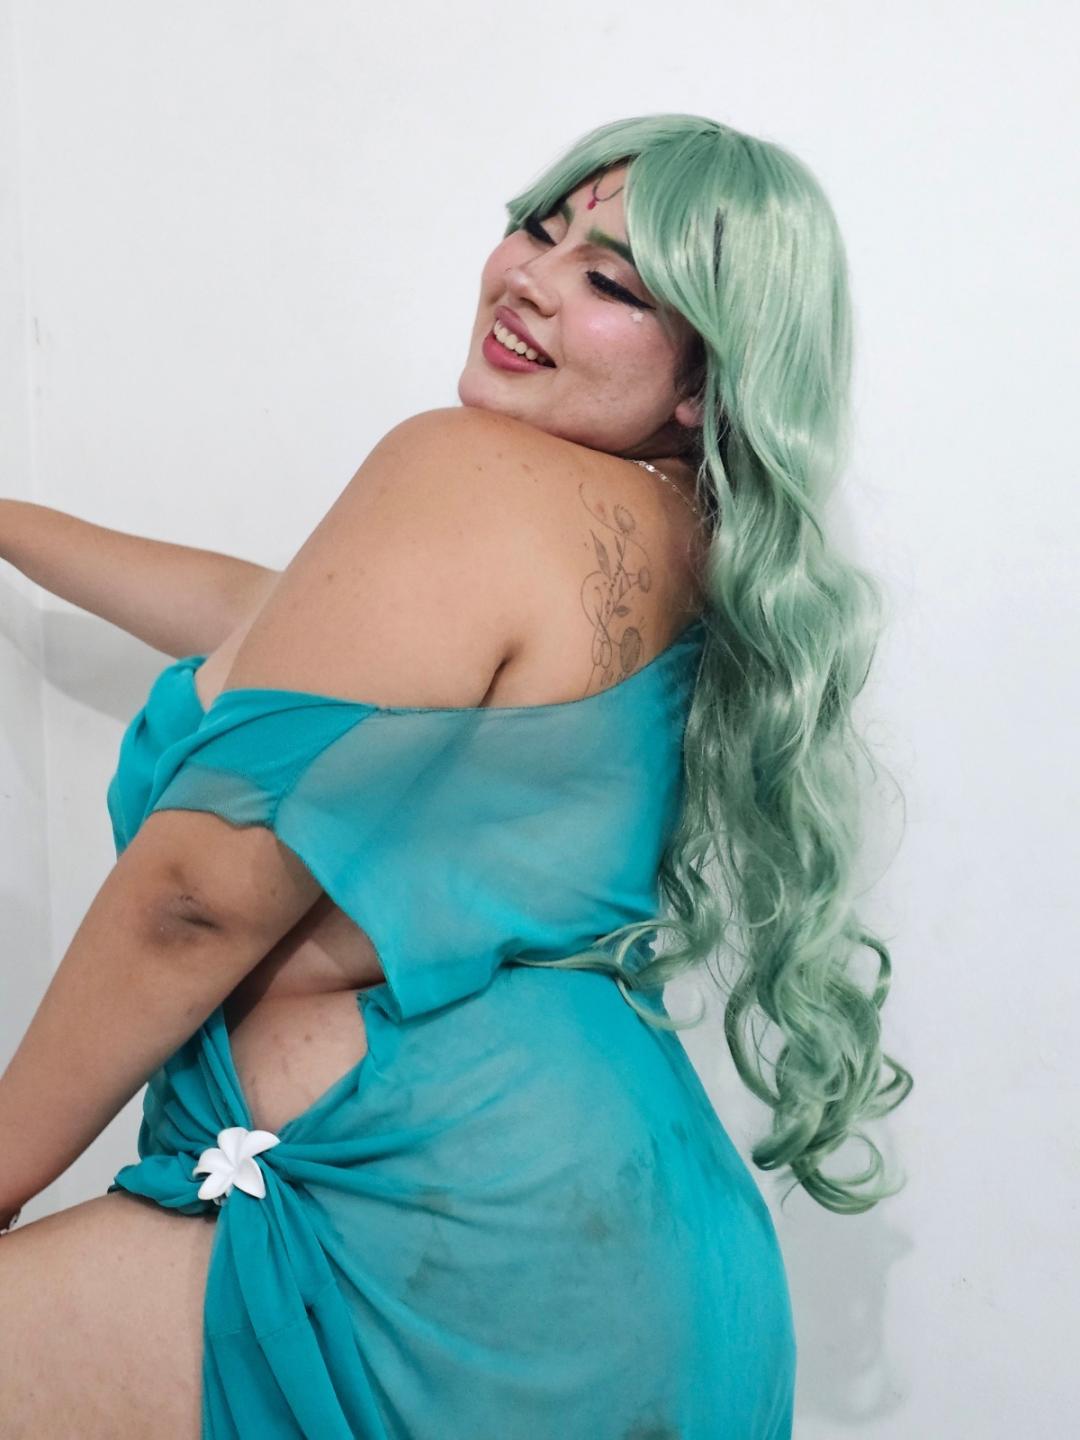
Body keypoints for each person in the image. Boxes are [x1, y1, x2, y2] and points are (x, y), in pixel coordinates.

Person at [0, 112, 911, 1437]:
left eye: (611, 282)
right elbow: (265, 617)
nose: (532, 280)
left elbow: (193, 899)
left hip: (432, 1264)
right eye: (541, 227)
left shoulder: (472, 472)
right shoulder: (676, 546)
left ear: (703, 380)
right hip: (645, 1267)